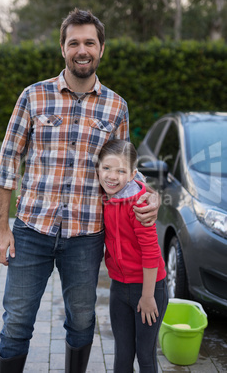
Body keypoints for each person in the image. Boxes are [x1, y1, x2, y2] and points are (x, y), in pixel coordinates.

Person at [0, 8, 160, 373]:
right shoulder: (33, 97)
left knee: (82, 323)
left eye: (89, 42)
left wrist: (152, 195)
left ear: (101, 50)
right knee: (17, 323)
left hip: (85, 237)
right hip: (31, 231)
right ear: (62, 49)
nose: (81, 50)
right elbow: (7, 163)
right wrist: (2, 228)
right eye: (74, 43)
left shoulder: (117, 107)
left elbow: (124, 170)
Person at [97, 139, 168, 373]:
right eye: (106, 168)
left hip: (148, 288)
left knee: (145, 354)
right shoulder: (106, 197)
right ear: (98, 168)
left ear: (132, 174)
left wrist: (148, 297)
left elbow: (151, 252)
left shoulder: (139, 205)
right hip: (119, 287)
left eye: (121, 171)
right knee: (122, 354)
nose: (112, 176)